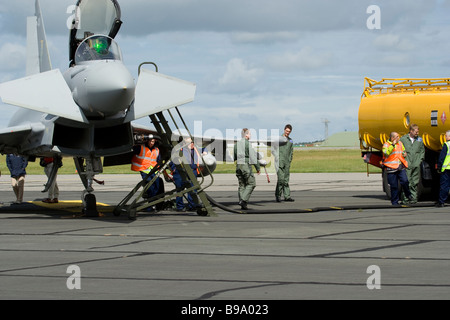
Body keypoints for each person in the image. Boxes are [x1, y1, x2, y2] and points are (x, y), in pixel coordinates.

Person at [382, 132, 413, 205]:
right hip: (391, 168)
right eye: (397, 137)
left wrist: (404, 154)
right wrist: (392, 145)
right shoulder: (386, 144)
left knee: (405, 181)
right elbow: (386, 153)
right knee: (394, 186)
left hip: (400, 166)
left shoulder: (400, 143)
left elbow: (403, 151)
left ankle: (408, 195)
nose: (398, 138)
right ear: (392, 138)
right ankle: (394, 202)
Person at [234, 128, 260, 210]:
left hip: (238, 166)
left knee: (242, 185)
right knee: (252, 183)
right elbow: (253, 157)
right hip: (245, 166)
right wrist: (258, 168)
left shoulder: (236, 144)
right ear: (246, 135)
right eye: (250, 133)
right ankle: (244, 200)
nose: (250, 135)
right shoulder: (247, 144)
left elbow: (234, 156)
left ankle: (242, 203)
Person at [400, 124, 425, 204]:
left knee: (415, 181)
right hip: (407, 163)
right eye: (416, 132)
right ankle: (406, 199)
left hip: (416, 164)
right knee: (407, 182)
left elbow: (422, 151)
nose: (417, 133)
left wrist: (419, 160)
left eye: (418, 132)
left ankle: (413, 198)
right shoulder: (403, 139)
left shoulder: (419, 140)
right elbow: (399, 150)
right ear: (411, 131)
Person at [273, 124, 294, 202]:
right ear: (284, 130)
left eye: (289, 131)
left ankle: (287, 196)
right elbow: (273, 149)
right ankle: (278, 195)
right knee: (281, 179)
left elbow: (291, 151)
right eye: (287, 131)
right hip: (279, 162)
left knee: (286, 180)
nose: (288, 132)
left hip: (287, 163)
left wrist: (290, 160)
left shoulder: (290, 141)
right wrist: (276, 157)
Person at [436, 130, 450, 207]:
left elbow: (442, 157)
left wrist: (439, 166)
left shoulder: (446, 145)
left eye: (446, 136)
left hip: (446, 169)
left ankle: (442, 202)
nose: (445, 137)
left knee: (444, 186)